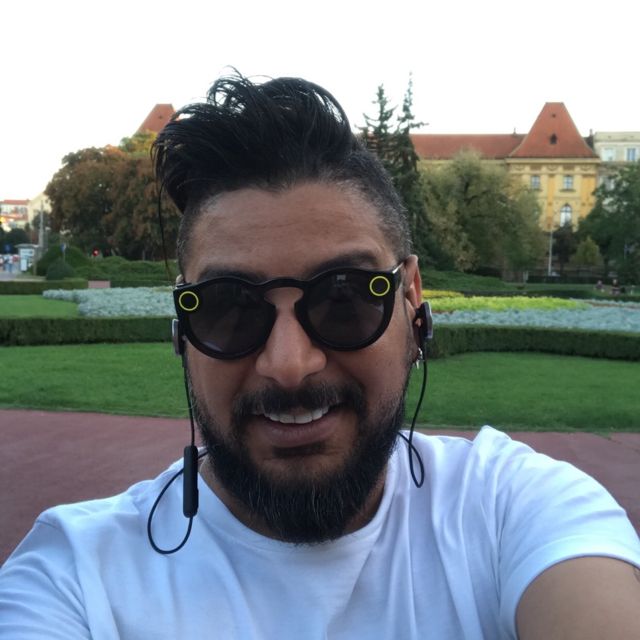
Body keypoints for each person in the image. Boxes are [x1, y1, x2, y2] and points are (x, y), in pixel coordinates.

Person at [1, 73, 639, 639]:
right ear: (181, 330)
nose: (288, 364)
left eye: (344, 297)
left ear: (413, 302)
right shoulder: (75, 576)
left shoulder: (515, 509)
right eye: (228, 306)